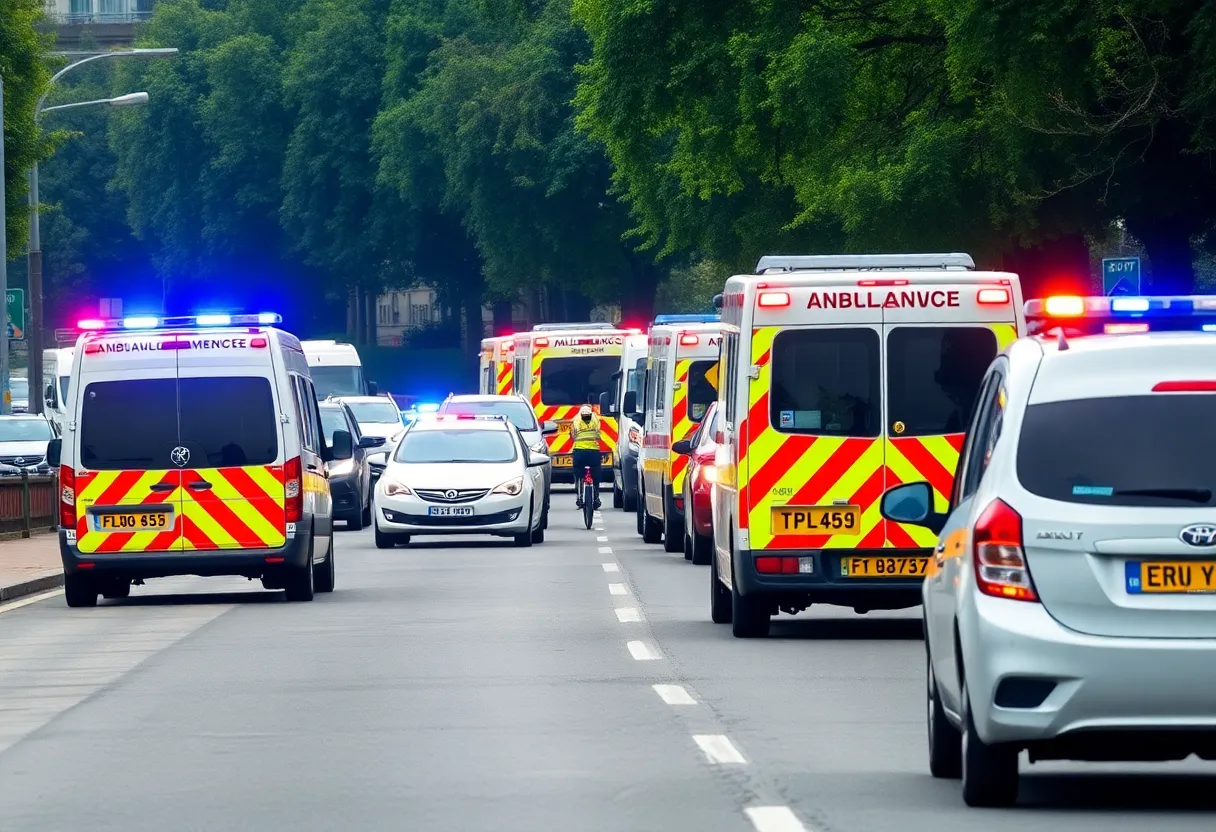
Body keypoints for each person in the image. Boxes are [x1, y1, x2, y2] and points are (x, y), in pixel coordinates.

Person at [571, 404, 602, 509]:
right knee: (596, 475)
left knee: (578, 474)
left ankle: (579, 497)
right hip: (594, 452)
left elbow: (573, 435)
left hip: (579, 452)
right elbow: (598, 433)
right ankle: (596, 498)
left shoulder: (576, 420)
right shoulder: (595, 419)